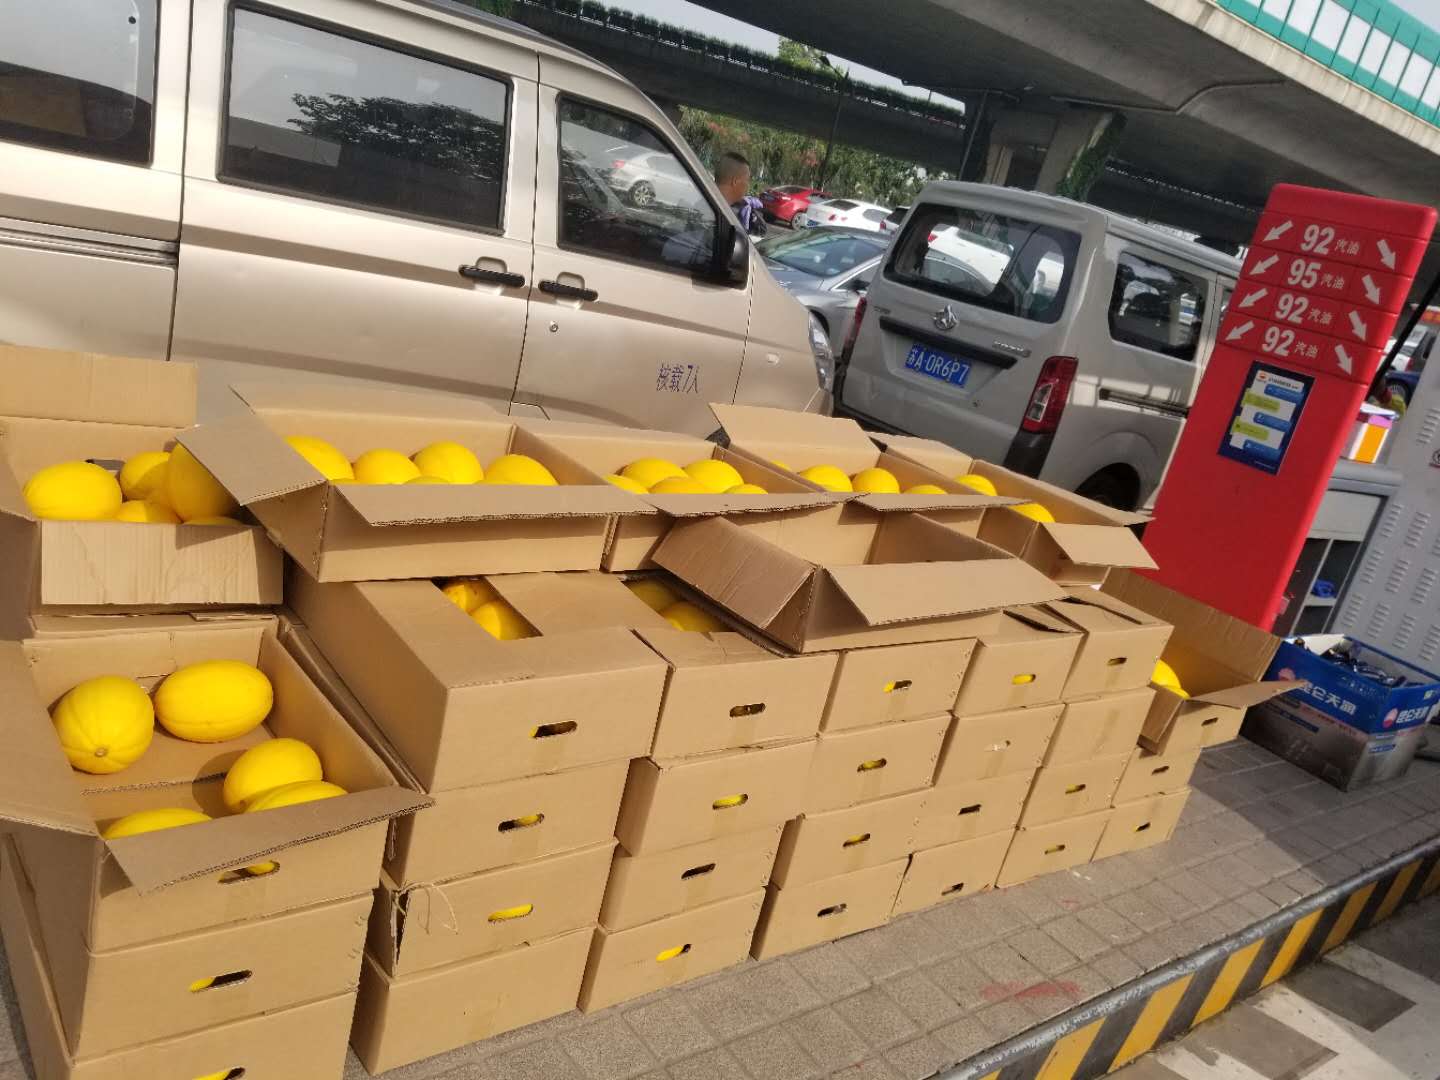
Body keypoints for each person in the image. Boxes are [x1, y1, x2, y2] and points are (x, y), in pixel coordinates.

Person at [715, 151, 766, 237]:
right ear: (735, 181)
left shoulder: (709, 203)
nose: (748, 185)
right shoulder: (719, 217)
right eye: (747, 180)